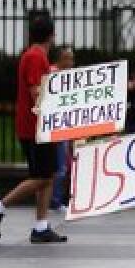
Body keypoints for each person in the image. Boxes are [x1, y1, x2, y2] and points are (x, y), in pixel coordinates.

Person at [0, 15, 68, 244]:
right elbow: (36, 92)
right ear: (52, 35)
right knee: (41, 178)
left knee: (46, 177)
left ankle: (41, 227)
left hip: (38, 127)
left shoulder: (35, 56)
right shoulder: (35, 57)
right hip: (36, 128)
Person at [49, 44, 76, 212]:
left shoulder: (69, 76)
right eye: (67, 58)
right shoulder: (53, 74)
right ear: (59, 59)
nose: (71, 61)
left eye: (72, 58)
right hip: (56, 126)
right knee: (60, 166)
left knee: (64, 164)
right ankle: (55, 201)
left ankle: (57, 199)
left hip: (65, 124)